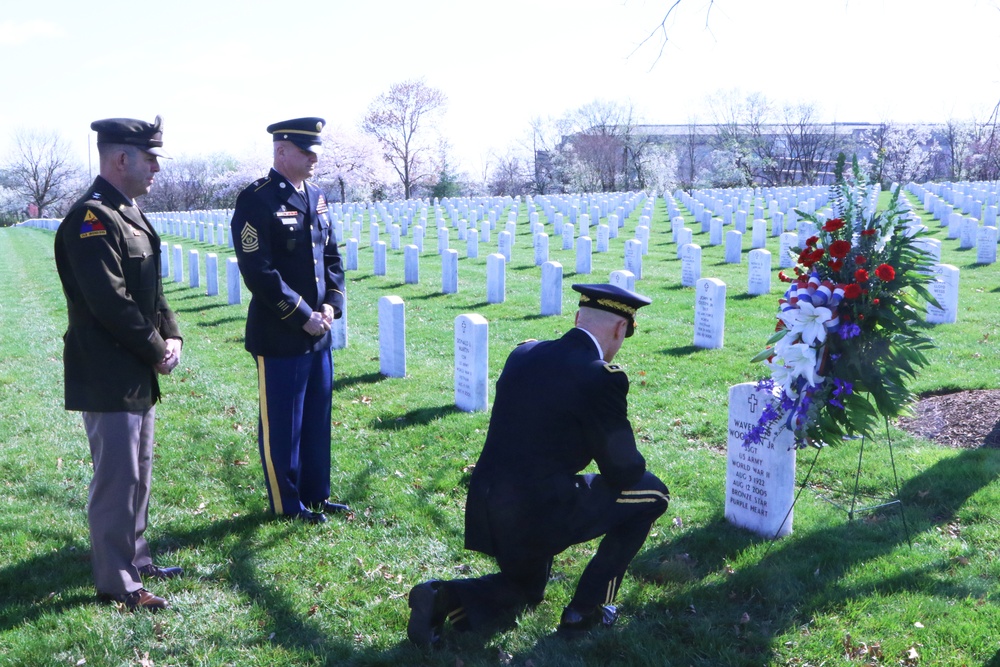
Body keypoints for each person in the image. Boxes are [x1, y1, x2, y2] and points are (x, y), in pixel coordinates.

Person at [407, 283, 670, 646]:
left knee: (527, 591)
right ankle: (587, 608)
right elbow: (623, 471)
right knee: (652, 492)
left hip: (488, 505)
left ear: (578, 318)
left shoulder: (524, 354)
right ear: (620, 328)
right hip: (536, 511)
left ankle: (442, 597)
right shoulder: (600, 376)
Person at [54, 116, 184, 612]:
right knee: (117, 478)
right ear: (120, 159)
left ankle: (137, 559)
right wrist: (156, 349)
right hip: (108, 370)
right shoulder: (91, 218)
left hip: (135, 367)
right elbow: (110, 302)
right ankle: (117, 584)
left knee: (139, 470)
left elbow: (151, 288)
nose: (155, 168)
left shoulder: (128, 211)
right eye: (149, 158)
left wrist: (171, 333)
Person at [231, 117, 350, 525]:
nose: (314, 157)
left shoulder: (316, 196)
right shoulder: (257, 199)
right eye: (306, 150)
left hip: (320, 332)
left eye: (316, 150)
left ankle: (317, 495)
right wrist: (302, 316)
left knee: (316, 420)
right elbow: (258, 270)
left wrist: (332, 304)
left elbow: (331, 257)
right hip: (281, 333)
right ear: (282, 151)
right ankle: (288, 503)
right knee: (283, 425)